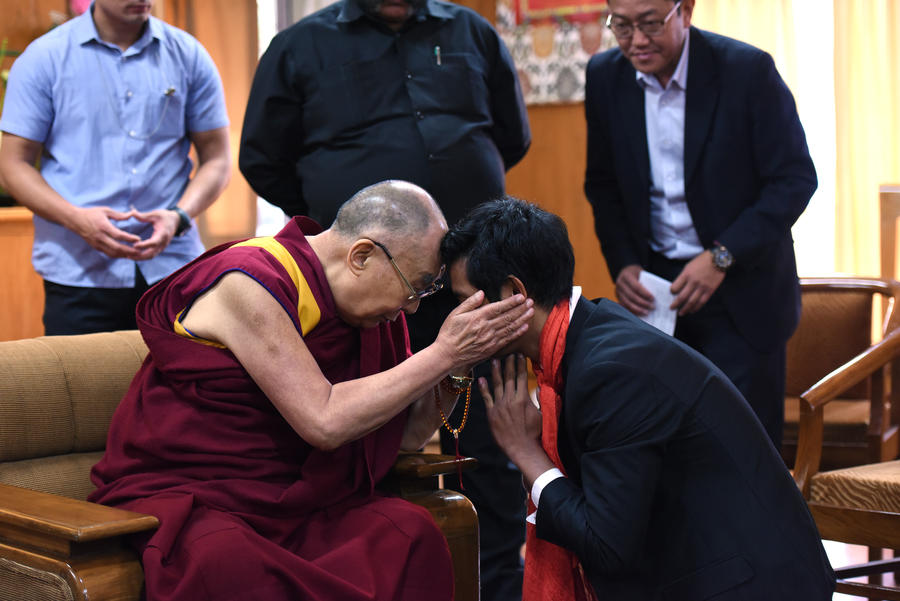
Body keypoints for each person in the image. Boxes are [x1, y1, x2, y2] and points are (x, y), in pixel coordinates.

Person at [88, 180, 534, 601]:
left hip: (304, 501)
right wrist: (442, 354)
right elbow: (323, 420)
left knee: (410, 533)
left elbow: (401, 439)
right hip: (200, 498)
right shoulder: (250, 280)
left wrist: (460, 366)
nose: (413, 305)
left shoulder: (372, 316)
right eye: (415, 286)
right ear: (362, 256)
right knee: (224, 562)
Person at [238, 0, 533, 597]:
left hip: (470, 279)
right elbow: (262, 160)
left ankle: (497, 584)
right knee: (376, 437)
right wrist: (351, 218)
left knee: (490, 442)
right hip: (361, 286)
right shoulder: (300, 45)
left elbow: (512, 136)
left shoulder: (471, 31)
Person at [441, 196, 835, 600]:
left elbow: (608, 547)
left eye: (464, 301)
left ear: (512, 291)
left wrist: (526, 452)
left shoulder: (610, 373)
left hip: (747, 586)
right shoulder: (591, 335)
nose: (456, 321)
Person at [583, 0, 816, 448]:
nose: (637, 41)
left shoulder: (747, 71)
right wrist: (624, 263)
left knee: (745, 453)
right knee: (669, 450)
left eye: (650, 24)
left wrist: (722, 255)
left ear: (685, 10)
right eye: (622, 26)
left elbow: (794, 179)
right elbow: (603, 184)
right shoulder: (605, 76)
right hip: (659, 296)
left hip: (742, 294)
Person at [0, 0, 231, 335]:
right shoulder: (44, 57)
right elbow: (12, 164)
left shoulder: (188, 55)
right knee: (81, 386)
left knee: (180, 386)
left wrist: (179, 216)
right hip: (79, 272)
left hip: (173, 269)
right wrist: (77, 220)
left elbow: (218, 158)